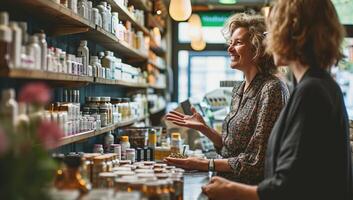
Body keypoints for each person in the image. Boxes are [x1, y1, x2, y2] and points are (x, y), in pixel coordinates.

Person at [201, 0, 353, 199]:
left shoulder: (311, 91)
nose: (266, 39)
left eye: (271, 30)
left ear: (295, 33)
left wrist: (230, 189)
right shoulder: (318, 85)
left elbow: (288, 186)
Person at [165, 13, 289, 185]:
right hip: (226, 185)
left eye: (237, 43)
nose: (229, 49)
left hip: (248, 190)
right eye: (230, 43)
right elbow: (230, 148)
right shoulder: (239, 89)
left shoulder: (272, 88)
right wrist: (204, 128)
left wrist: (204, 164)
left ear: (257, 48)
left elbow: (257, 161)